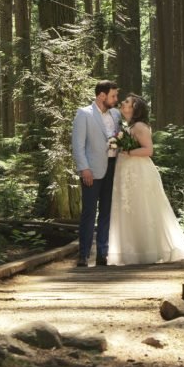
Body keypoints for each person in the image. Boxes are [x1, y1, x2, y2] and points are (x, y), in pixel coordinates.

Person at [108, 94, 184, 266]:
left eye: (127, 102)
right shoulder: (130, 126)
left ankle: (148, 250)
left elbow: (148, 150)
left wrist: (127, 151)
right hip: (127, 170)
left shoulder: (140, 126)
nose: (123, 103)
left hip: (139, 171)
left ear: (134, 108)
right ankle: (133, 250)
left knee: (142, 206)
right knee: (130, 208)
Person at [71, 80, 121, 267]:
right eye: (113, 96)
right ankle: (83, 255)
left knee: (106, 212)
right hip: (91, 170)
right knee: (89, 213)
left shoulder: (116, 114)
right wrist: (84, 168)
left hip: (113, 168)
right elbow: (78, 145)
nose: (116, 99)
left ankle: (102, 254)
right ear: (102, 95)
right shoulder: (84, 114)